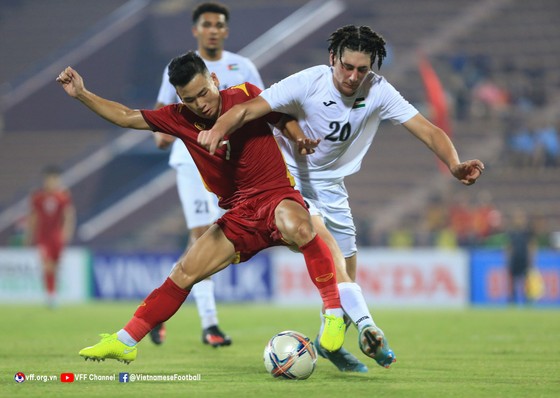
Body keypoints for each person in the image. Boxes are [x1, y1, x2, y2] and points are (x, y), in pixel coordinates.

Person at [197, 25, 484, 372]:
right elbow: (246, 109)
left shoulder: (378, 90)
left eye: (362, 70)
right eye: (346, 66)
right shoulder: (308, 82)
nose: (352, 76)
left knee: (347, 273)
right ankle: (370, 329)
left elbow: (428, 130)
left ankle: (328, 344)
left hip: (333, 188)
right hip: (287, 180)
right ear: (332, 58)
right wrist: (217, 130)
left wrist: (454, 164)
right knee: (332, 257)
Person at [56, 51, 350, 364]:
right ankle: (125, 341)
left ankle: (333, 312)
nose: (200, 103)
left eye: (203, 93)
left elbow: (282, 116)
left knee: (300, 227)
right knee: (183, 272)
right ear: (180, 98)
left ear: (214, 80)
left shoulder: (245, 95)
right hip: (239, 214)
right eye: (189, 99)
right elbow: (127, 116)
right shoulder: (178, 117)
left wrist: (299, 138)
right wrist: (82, 95)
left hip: (276, 195)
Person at [150, 2, 265, 348]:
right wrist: (162, 132)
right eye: (207, 24)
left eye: (219, 25)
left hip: (233, 167)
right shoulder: (180, 70)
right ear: (195, 30)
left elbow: (263, 104)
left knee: (218, 242)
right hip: (191, 161)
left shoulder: (242, 66)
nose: (213, 29)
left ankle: (160, 305)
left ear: (226, 31)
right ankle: (210, 324)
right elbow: (161, 113)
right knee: (203, 236)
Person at [26, 165, 76, 308]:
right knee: (46, 265)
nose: (51, 182)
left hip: (56, 236)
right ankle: (50, 296)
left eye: (54, 180)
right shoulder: (38, 197)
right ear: (44, 180)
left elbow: (68, 215)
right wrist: (30, 235)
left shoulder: (62, 197)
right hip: (43, 236)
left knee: (55, 266)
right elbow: (33, 217)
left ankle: (53, 293)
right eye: (49, 180)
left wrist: (67, 232)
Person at [505, 208, 537, 305]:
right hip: (515, 259)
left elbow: (531, 246)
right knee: (513, 281)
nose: (518, 219)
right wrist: (507, 258)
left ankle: (528, 300)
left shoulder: (527, 232)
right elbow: (509, 246)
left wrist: (532, 258)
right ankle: (512, 300)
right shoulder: (511, 232)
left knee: (526, 280)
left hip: (524, 259)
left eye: (520, 217)